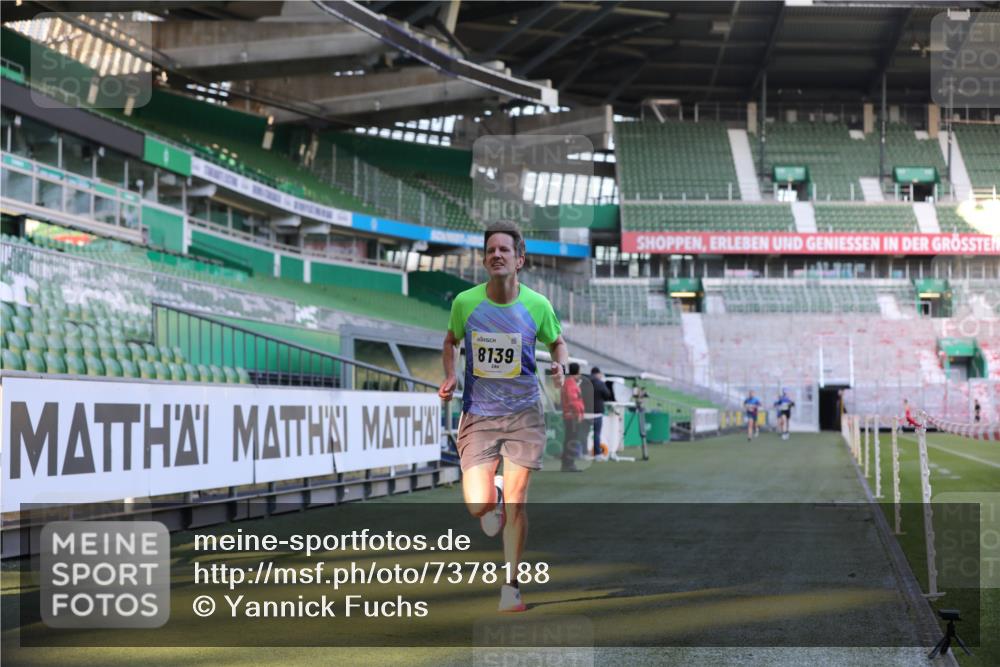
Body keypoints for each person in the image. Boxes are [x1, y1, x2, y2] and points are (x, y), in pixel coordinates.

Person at [438, 220, 569, 613]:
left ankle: (511, 587)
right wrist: (449, 373)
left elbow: (557, 342)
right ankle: (488, 497)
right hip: (479, 413)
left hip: (524, 414)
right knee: (478, 506)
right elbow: (450, 341)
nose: (497, 254)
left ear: (519, 260)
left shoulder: (537, 305)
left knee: (517, 502)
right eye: (491, 250)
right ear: (484, 260)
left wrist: (561, 366)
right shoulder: (465, 302)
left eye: (504, 250)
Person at [584, 367, 613, 460]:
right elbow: (607, 395)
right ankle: (597, 454)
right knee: (597, 434)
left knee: (584, 433)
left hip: (585, 412)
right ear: (598, 374)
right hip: (597, 412)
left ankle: (583, 453)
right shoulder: (600, 383)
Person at [560, 363, 585, 472]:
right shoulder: (571, 384)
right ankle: (569, 464)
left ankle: (567, 463)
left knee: (569, 439)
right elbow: (573, 401)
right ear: (578, 371)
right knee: (572, 439)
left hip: (570, 415)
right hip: (572, 416)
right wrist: (578, 414)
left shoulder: (569, 382)